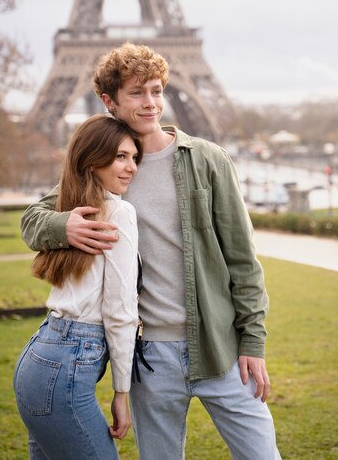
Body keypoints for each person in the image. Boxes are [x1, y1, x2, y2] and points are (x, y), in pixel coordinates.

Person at [21, 43, 282, 460]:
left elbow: (243, 261)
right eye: (137, 93)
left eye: (157, 91)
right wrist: (61, 223)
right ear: (109, 102)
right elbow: (32, 218)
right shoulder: (111, 167)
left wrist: (253, 341)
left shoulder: (209, 160)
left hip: (223, 349)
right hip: (151, 360)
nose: (151, 103)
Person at [14, 114, 142, 460]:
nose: (131, 167)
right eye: (120, 157)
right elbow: (120, 311)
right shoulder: (119, 212)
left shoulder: (71, 209)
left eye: (134, 157)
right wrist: (121, 393)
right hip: (67, 362)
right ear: (91, 159)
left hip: (39, 357)